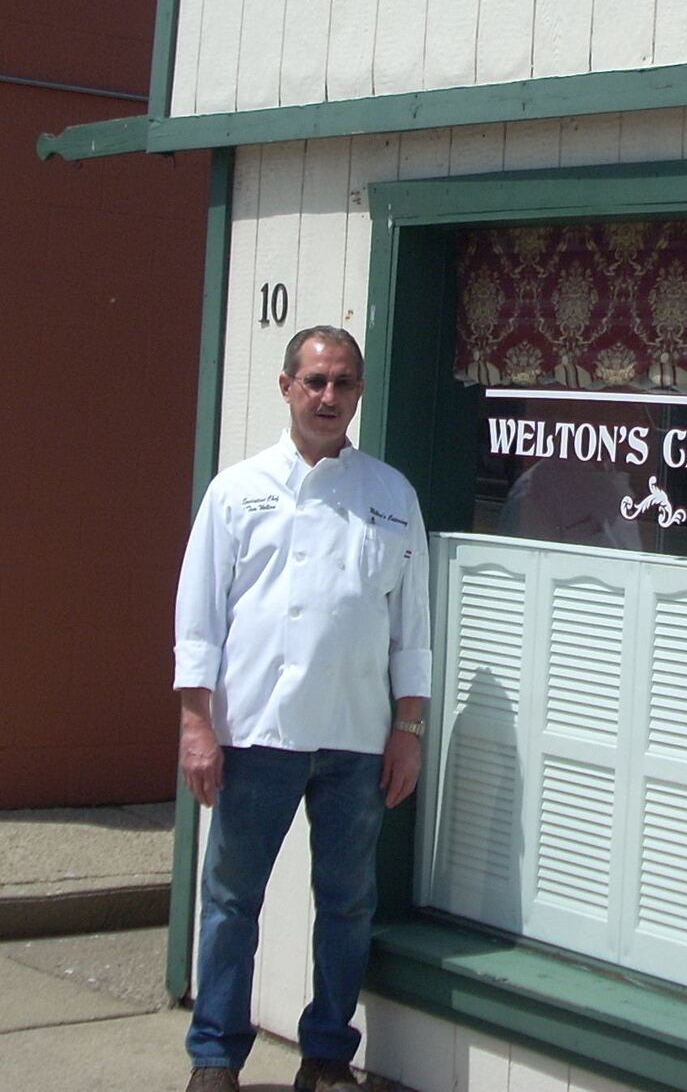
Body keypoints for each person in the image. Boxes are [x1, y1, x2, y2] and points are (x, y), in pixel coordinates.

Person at [174, 327, 432, 1092]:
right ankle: (215, 1055)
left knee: (347, 903)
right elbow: (198, 620)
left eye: (343, 383)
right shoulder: (237, 490)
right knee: (231, 901)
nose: (329, 396)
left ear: (357, 393)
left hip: (356, 738)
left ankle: (325, 1055)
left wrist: (408, 727)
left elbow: (412, 625)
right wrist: (196, 723)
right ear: (286, 386)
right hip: (257, 733)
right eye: (315, 381)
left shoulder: (390, 495)